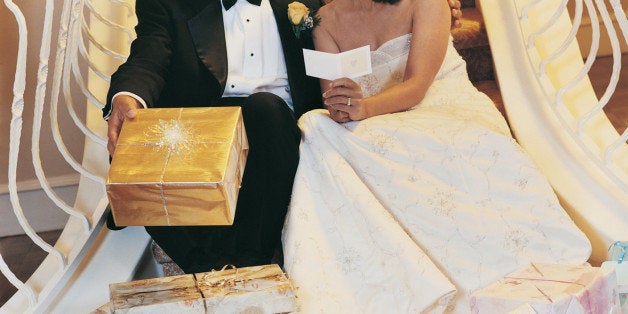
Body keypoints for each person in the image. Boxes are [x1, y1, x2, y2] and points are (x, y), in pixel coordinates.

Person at [104, 0, 463, 273]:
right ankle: (224, 270)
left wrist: (441, 8)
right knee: (136, 140)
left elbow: (367, 10)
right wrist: (126, 97)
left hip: (279, 121)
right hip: (206, 125)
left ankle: (245, 263)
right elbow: (147, 57)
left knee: (265, 109)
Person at [281, 0, 592, 312]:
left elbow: (417, 86)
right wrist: (343, 105)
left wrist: (364, 108)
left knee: (447, 143)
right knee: (314, 125)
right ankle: (369, 276)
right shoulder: (325, 21)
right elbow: (335, 96)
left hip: (438, 104)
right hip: (373, 121)